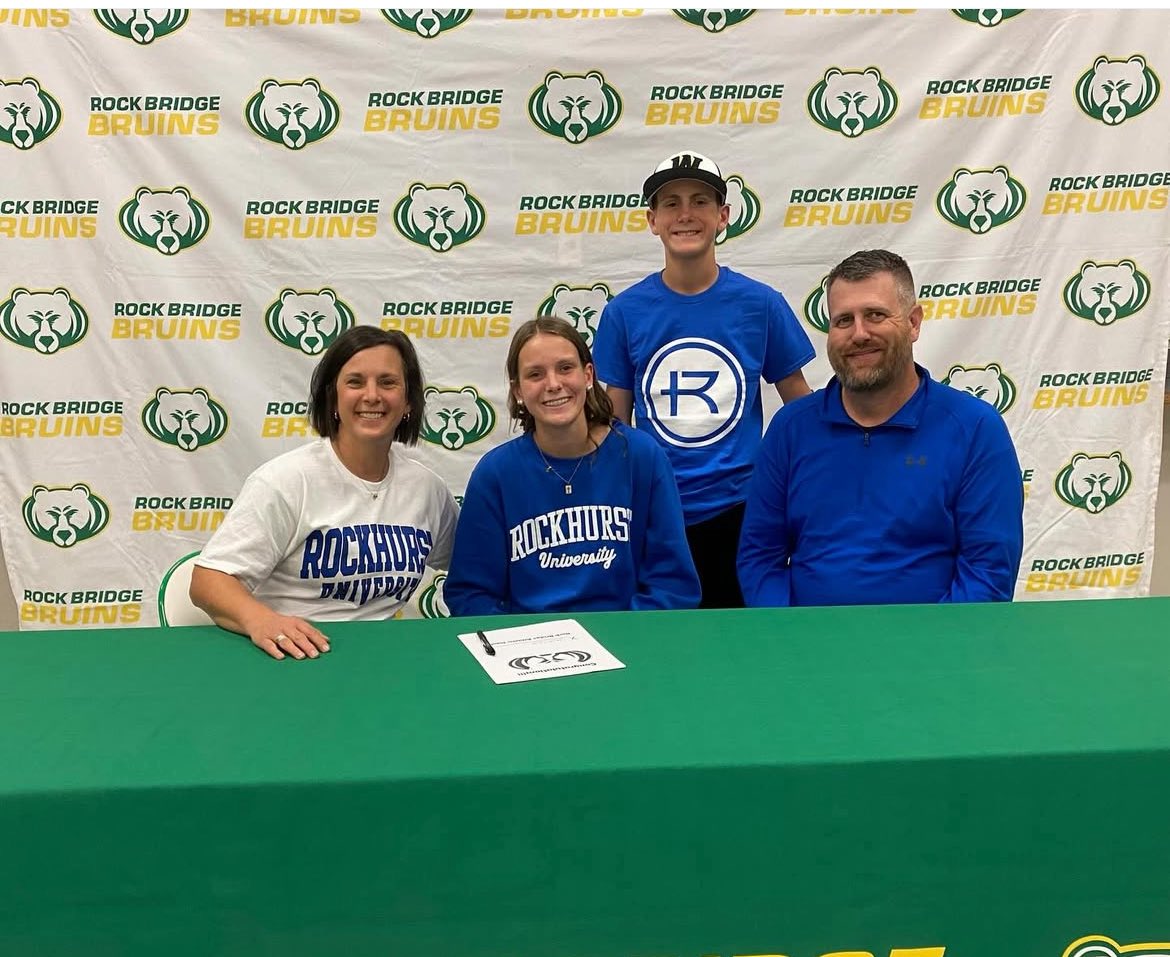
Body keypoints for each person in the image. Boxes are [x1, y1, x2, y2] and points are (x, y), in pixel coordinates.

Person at [591, 149, 815, 609]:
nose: (686, 214)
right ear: (652, 220)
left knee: (740, 651)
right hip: (655, 513)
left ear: (724, 216)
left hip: (743, 513)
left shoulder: (761, 304)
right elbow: (614, 422)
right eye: (670, 203)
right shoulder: (624, 313)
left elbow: (800, 405)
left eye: (700, 201)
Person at [737, 249, 1024, 607]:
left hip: (933, 654)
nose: (859, 334)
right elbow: (759, 559)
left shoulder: (976, 429)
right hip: (808, 652)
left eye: (875, 315)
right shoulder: (790, 429)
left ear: (914, 322)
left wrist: (929, 651)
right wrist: (790, 638)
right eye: (843, 320)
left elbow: (988, 573)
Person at [190, 326, 460, 659]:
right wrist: (262, 620)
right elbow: (208, 581)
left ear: (408, 402)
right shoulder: (286, 481)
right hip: (297, 658)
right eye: (355, 382)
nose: (372, 395)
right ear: (333, 398)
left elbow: (470, 565)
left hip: (386, 660)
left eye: (388, 382)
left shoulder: (428, 490)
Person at [444, 316, 700, 615]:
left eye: (565, 368)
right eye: (535, 374)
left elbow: (672, 586)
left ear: (588, 375)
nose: (553, 384)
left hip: (628, 642)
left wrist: (625, 640)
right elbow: (471, 594)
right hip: (530, 650)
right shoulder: (496, 474)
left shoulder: (642, 457)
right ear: (518, 392)